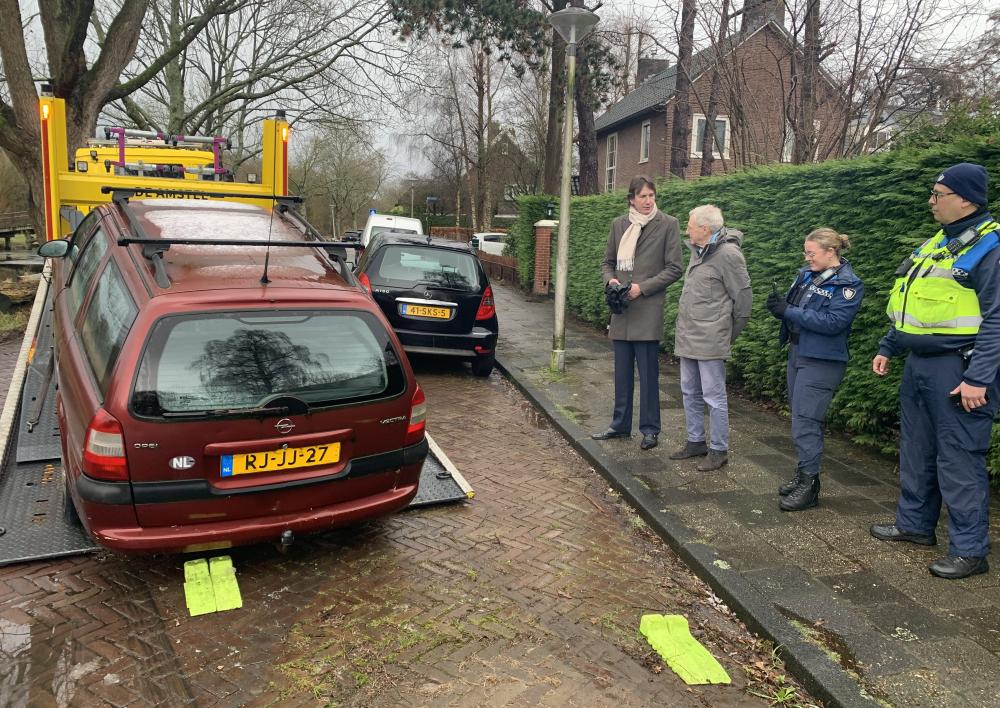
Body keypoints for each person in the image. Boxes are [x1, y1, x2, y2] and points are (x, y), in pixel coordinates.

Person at [871, 162, 999, 580]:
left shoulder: (990, 247)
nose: (931, 201)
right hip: (920, 366)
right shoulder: (938, 243)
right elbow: (910, 298)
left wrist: (978, 377)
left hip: (958, 369)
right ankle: (914, 525)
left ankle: (969, 551)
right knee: (917, 449)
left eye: (937, 194)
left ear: (965, 199)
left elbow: (998, 319)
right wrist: (889, 345)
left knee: (959, 459)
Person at [765, 229, 864, 511]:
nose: (807, 258)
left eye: (812, 253)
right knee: (800, 417)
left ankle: (810, 485)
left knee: (806, 421)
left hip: (822, 360)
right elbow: (797, 307)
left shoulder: (849, 284)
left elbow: (833, 322)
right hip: (799, 352)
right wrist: (780, 307)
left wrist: (788, 312)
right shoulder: (807, 274)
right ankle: (803, 474)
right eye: (806, 253)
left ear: (830, 252)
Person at [591, 175, 683, 450]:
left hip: (647, 309)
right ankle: (620, 425)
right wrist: (611, 281)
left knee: (648, 375)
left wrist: (643, 288)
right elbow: (607, 262)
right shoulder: (619, 225)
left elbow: (674, 268)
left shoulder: (668, 224)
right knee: (621, 374)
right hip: (621, 309)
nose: (647, 201)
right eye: (642, 196)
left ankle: (650, 429)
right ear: (631, 199)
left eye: (651, 196)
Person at [669, 205, 752, 471]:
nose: (686, 230)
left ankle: (719, 448)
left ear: (705, 229)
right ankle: (696, 441)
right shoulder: (698, 250)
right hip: (689, 336)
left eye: (690, 225)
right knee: (689, 391)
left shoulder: (728, 254)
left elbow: (743, 301)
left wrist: (726, 335)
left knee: (714, 396)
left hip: (711, 339)